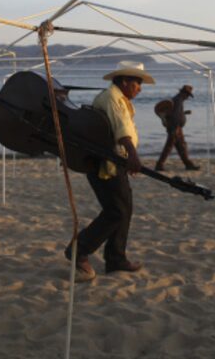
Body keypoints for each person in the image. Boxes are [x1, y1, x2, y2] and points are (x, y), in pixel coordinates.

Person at [64, 60, 155, 282]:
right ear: (125, 81)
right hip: (105, 165)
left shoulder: (117, 98)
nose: (140, 88)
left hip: (115, 162)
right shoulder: (112, 98)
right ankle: (79, 250)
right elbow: (122, 131)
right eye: (137, 83)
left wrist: (128, 159)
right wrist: (133, 156)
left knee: (125, 208)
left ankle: (116, 258)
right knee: (117, 211)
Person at [154, 84, 200, 171]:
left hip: (175, 127)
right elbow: (175, 116)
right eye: (187, 95)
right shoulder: (178, 100)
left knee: (181, 146)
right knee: (169, 147)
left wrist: (184, 113)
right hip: (175, 127)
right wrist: (175, 128)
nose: (187, 98)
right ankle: (159, 165)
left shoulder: (177, 100)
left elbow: (174, 113)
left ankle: (188, 164)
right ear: (184, 94)